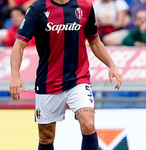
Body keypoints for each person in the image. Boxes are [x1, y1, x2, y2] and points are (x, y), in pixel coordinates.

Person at [9, 0, 122, 150]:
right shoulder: (38, 8)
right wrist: (15, 75)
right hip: (48, 81)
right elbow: (19, 44)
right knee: (46, 137)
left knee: (88, 124)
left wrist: (111, 65)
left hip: (78, 79)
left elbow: (94, 41)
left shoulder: (85, 6)